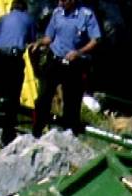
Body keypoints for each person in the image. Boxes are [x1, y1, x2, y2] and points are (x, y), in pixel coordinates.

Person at [31, 0, 100, 136]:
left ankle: (68, 133)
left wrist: (79, 52)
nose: (60, 2)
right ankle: (37, 130)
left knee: (71, 101)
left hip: (74, 63)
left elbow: (95, 39)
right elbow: (49, 37)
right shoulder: (57, 13)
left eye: (64, 0)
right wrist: (39, 42)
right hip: (55, 58)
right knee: (44, 96)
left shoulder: (86, 15)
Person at [0, 0, 36, 145]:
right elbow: (31, 44)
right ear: (24, 9)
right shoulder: (28, 19)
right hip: (13, 59)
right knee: (13, 96)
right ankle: (7, 134)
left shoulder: (1, 20)